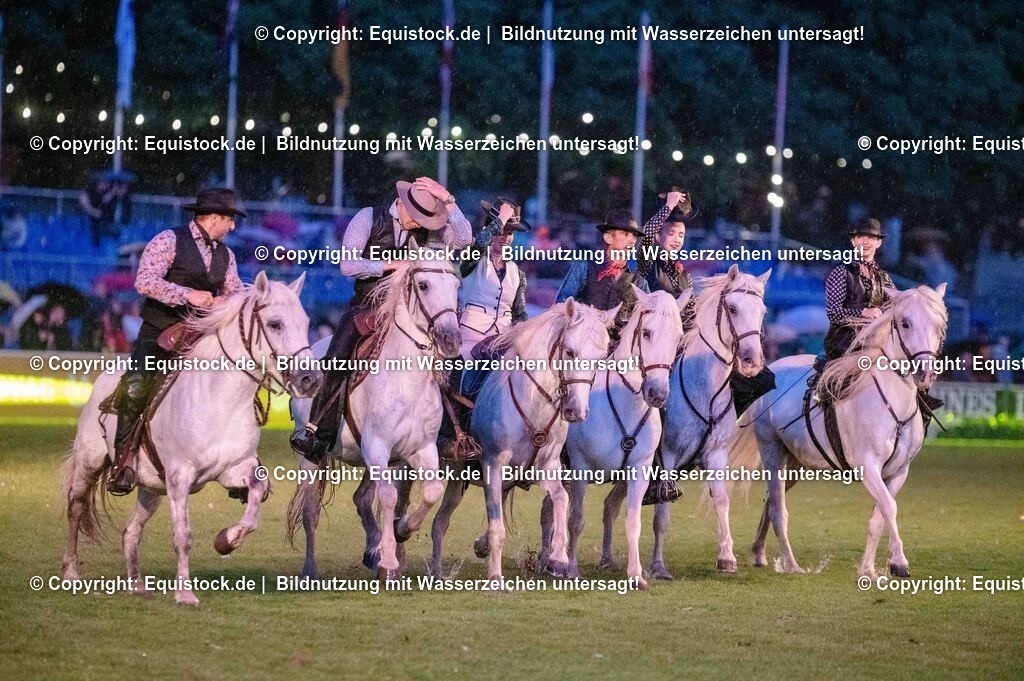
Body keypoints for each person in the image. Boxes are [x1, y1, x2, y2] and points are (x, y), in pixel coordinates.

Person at [290, 177, 471, 463]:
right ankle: (316, 432)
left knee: (454, 363)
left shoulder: (427, 229)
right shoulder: (368, 218)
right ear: (401, 204)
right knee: (338, 356)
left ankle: (448, 436)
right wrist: (391, 265)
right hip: (366, 308)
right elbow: (348, 264)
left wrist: (447, 197)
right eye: (418, 216)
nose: (421, 223)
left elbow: (464, 239)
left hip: (411, 315)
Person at [107, 188, 246, 495]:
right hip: (160, 332)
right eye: (229, 220)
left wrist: (230, 302)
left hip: (201, 338)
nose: (232, 227)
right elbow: (144, 281)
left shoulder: (227, 254)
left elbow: (235, 291)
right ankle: (123, 463)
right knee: (137, 387)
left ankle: (236, 464)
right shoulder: (169, 239)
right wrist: (188, 295)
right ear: (213, 218)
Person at [556, 209, 649, 344]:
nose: (632, 241)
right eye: (625, 234)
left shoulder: (639, 282)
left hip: (619, 351)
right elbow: (562, 304)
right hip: (584, 346)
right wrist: (588, 316)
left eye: (634, 236)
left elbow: (649, 317)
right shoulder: (585, 266)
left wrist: (632, 328)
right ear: (608, 238)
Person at [458, 198, 529, 359]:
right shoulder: (471, 258)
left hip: (503, 342)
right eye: (502, 231)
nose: (505, 237)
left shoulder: (517, 273)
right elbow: (480, 244)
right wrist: (501, 219)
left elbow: (519, 313)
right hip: (471, 339)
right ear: (490, 230)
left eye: (510, 233)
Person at [823, 218, 894, 361]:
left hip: (876, 345)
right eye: (860, 237)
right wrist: (864, 312)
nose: (865, 242)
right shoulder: (841, 272)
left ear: (878, 243)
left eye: (871, 237)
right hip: (844, 345)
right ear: (853, 242)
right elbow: (833, 312)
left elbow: (896, 305)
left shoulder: (883, 277)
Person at [638, 187, 697, 324]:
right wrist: (669, 206)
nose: (677, 239)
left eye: (681, 235)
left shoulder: (684, 274)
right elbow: (647, 233)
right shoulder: (649, 261)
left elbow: (691, 313)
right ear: (658, 236)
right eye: (671, 234)